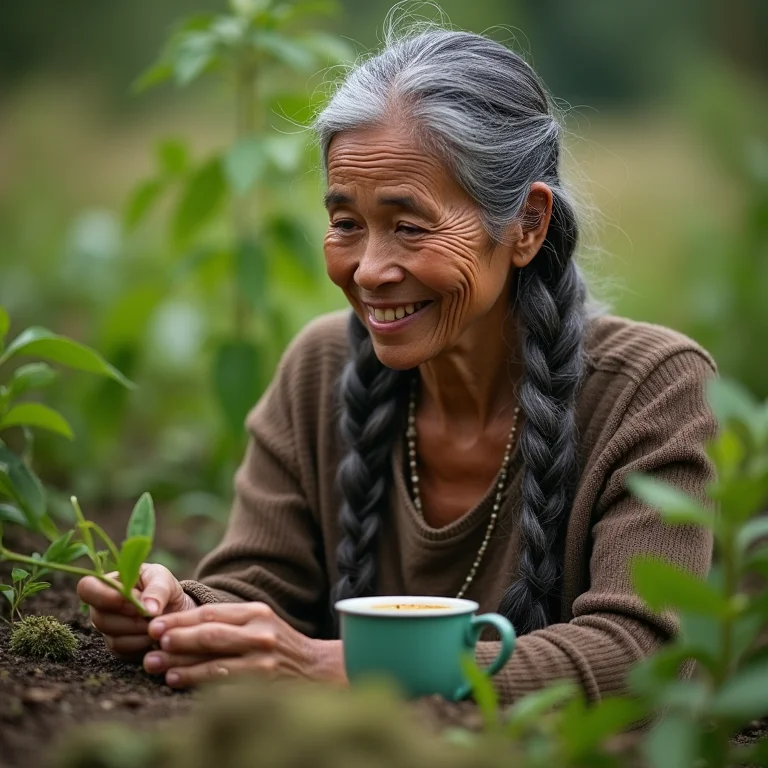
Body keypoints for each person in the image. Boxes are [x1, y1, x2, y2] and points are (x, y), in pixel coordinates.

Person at [77, 24, 717, 706]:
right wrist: (182, 613)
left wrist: (350, 668)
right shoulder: (321, 368)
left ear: (527, 225)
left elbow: (641, 653)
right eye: (346, 223)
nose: (369, 270)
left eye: (409, 227)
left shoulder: (652, 391)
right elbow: (257, 588)